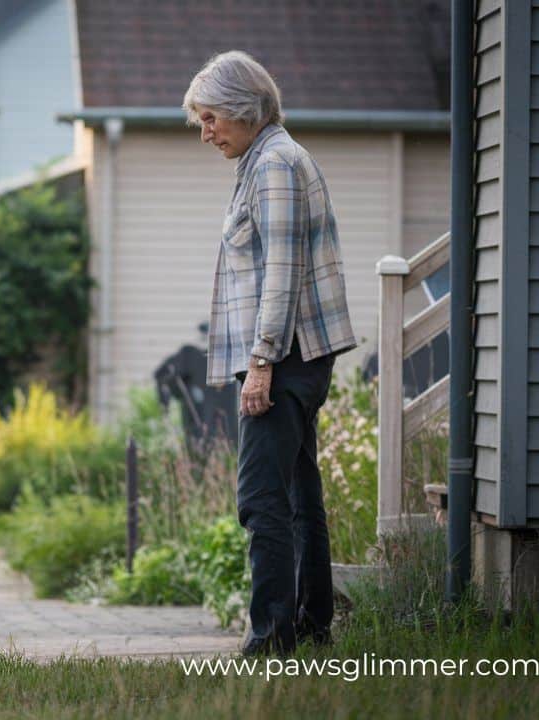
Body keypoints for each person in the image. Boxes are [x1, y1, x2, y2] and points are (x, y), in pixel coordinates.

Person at [183, 50, 358, 656]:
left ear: (243, 109)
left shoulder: (277, 165)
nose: (206, 133)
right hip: (293, 354)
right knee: (296, 495)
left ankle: (272, 639)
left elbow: (281, 272)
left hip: (283, 357)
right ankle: (310, 627)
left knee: (260, 499)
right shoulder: (265, 160)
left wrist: (260, 362)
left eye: (210, 119)